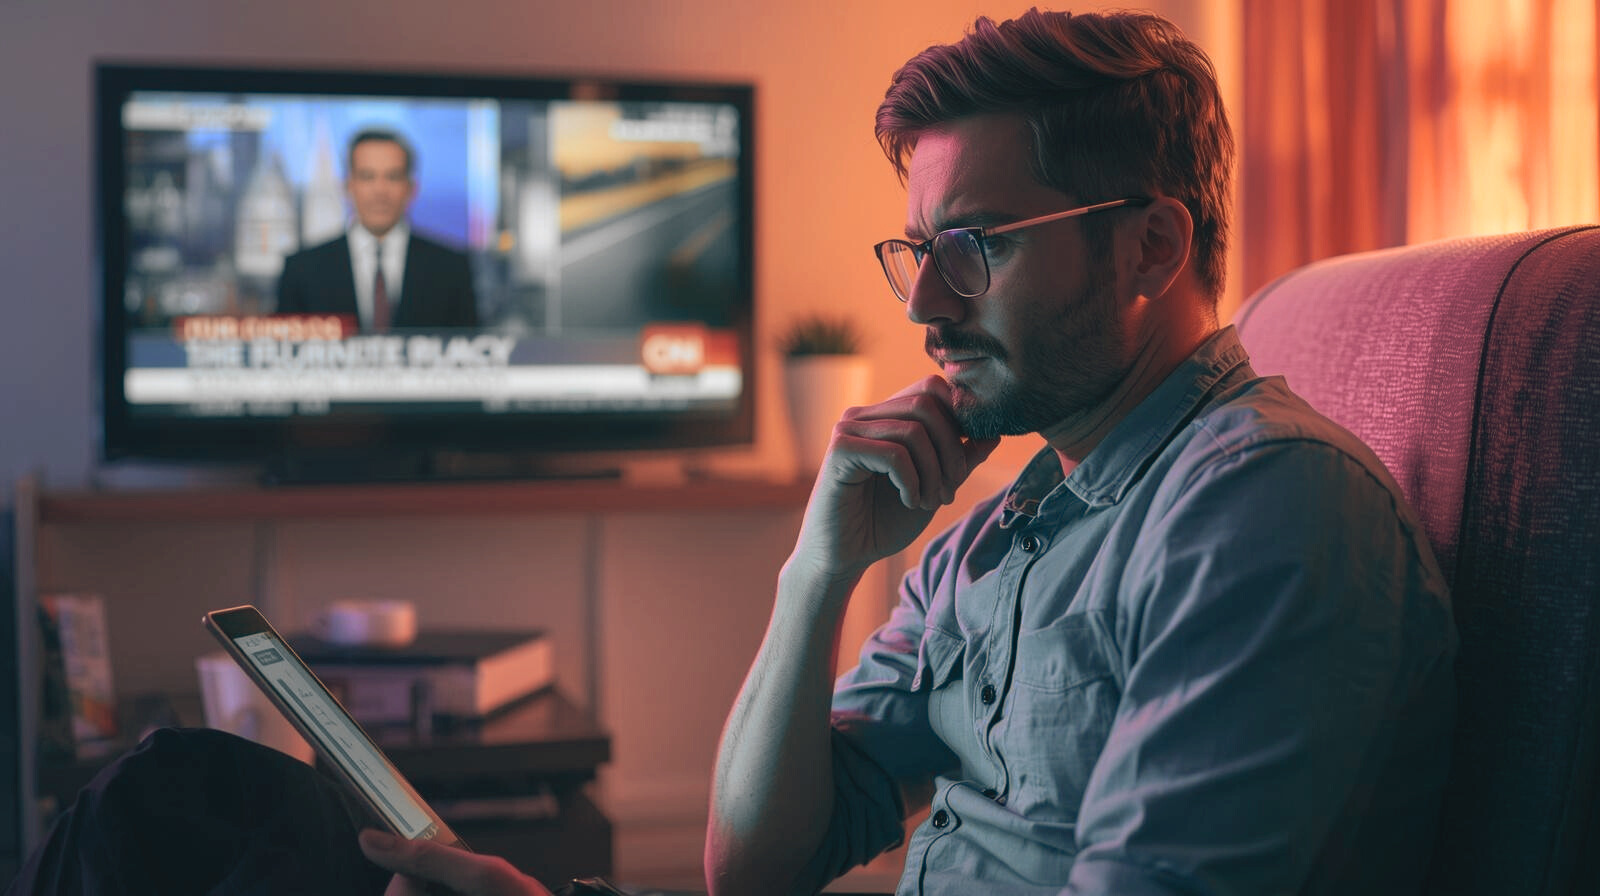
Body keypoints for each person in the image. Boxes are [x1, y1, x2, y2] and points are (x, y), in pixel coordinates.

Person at [705, 8, 1455, 896]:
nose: (926, 305)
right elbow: (753, 868)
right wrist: (818, 571)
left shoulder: (1264, 508)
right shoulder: (987, 542)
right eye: (920, 252)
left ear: (1152, 247)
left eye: (975, 245)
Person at [276, 128, 479, 331]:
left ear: (411, 187)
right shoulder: (301, 270)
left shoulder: (451, 269)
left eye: (392, 177)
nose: (380, 190)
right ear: (347, 186)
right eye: (367, 176)